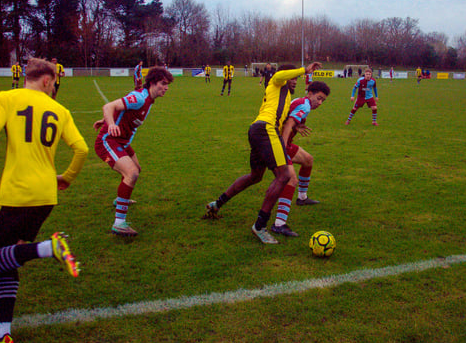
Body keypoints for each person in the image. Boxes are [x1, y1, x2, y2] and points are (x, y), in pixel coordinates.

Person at [0, 58, 88, 343]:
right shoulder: (60, 110)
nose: (54, 87)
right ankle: (2, 330)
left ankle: (48, 248)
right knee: (9, 256)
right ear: (45, 80)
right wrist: (66, 177)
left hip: (16, 195)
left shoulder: (6, 98)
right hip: (46, 196)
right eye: (53, 82)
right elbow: (81, 149)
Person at [203, 62, 322, 244]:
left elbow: (283, 118)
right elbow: (280, 76)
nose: (295, 81)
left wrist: (296, 125)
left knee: (255, 176)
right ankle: (260, 226)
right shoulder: (276, 81)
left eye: (297, 79)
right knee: (284, 176)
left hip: (258, 130)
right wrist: (304, 70)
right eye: (292, 77)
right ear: (285, 75)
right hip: (266, 130)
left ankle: (216, 204)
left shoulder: (285, 95)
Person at [94, 66, 174, 237]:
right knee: (131, 173)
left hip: (122, 142)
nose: (166, 87)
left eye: (167, 84)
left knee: (136, 169)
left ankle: (120, 199)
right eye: (163, 83)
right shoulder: (139, 98)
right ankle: (119, 223)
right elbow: (108, 106)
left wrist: (105, 120)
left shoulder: (148, 99)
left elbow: (120, 109)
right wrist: (110, 123)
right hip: (108, 141)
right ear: (152, 82)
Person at [271, 80, 331, 237]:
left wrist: (296, 127)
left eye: (323, 100)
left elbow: (287, 120)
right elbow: (289, 123)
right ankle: (279, 224)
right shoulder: (305, 106)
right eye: (318, 98)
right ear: (309, 94)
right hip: (279, 144)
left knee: (308, 160)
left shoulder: (302, 102)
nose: (320, 103)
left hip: (284, 142)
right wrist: (283, 149)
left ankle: (302, 198)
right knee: (290, 180)